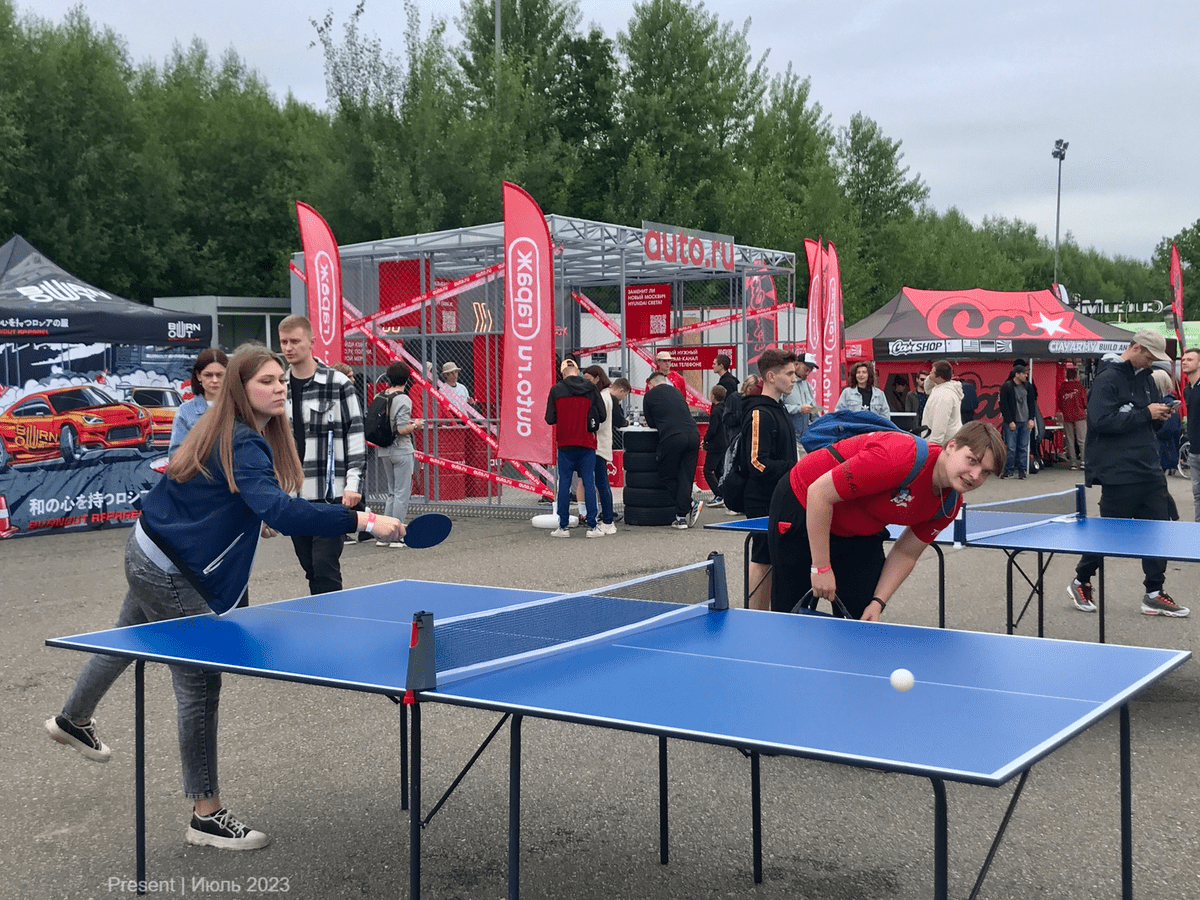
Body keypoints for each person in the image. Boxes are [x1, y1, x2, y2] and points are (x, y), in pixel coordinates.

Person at [44, 345, 403, 851]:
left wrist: (256, 510)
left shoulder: (221, 425)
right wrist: (362, 520)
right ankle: (205, 814)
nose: (279, 387)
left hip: (151, 547)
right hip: (172, 565)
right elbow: (281, 511)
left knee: (128, 638)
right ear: (241, 388)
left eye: (281, 380)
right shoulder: (241, 439)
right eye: (266, 381)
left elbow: (227, 494)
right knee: (199, 680)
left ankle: (72, 719)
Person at [768, 420, 1005, 620]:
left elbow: (906, 553)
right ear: (951, 446)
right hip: (803, 501)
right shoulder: (899, 458)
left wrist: (878, 603)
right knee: (790, 617)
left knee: (861, 618)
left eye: (985, 472)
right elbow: (819, 494)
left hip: (858, 530)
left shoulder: (949, 504)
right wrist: (821, 566)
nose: (975, 476)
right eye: (972, 460)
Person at [1067, 329, 1189, 618]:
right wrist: (1145, 413)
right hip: (1118, 473)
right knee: (1108, 535)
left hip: (1149, 469)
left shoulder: (1147, 379)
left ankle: (1154, 594)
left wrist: (1158, 417)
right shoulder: (1107, 378)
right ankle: (1081, 580)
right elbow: (1099, 421)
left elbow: (1142, 423)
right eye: (1149, 355)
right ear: (1135, 347)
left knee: (1160, 531)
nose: (1151, 362)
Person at [278, 315, 367, 594]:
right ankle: (321, 621)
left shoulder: (338, 383)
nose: (289, 347)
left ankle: (335, 627)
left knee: (325, 566)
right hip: (293, 494)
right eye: (283, 342)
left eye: (295, 341)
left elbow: (355, 434)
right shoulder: (277, 386)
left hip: (330, 493)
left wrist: (353, 485)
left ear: (311, 342)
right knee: (310, 568)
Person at [739, 349, 800, 609]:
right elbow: (756, 462)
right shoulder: (758, 413)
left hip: (781, 495)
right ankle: (756, 616)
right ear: (771, 377)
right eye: (789, 374)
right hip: (762, 498)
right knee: (762, 558)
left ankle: (771, 615)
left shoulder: (779, 409)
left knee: (776, 558)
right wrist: (795, 469)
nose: (794, 379)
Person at [545, 358, 606, 538]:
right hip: (586, 442)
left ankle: (563, 527)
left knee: (564, 483)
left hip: (565, 443)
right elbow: (601, 415)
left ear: (563, 373)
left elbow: (549, 418)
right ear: (578, 371)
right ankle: (592, 527)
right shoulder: (591, 388)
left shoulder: (556, 390)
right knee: (588, 481)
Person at [643, 370, 702, 529]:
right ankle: (681, 517)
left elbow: (651, 423)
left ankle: (689, 505)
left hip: (672, 436)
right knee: (686, 476)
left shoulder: (649, 395)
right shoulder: (676, 392)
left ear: (652, 383)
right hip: (693, 434)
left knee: (666, 474)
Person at [376, 361, 424, 548]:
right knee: (402, 493)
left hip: (384, 449)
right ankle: (396, 535)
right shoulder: (403, 399)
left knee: (391, 492)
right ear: (407, 378)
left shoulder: (381, 395)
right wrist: (416, 425)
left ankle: (385, 534)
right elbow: (402, 429)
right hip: (401, 449)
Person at [582, 366, 629, 534]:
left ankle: (607, 520)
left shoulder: (601, 397)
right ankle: (607, 519)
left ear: (597, 378)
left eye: (588, 379)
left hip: (597, 444)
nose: (585, 382)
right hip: (601, 444)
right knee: (601, 484)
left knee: (600, 483)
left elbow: (597, 422)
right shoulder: (607, 396)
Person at [169, 348, 228, 455]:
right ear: (198, 376)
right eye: (208, 375)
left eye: (219, 375)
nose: (214, 380)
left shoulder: (238, 408)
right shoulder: (185, 411)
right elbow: (175, 455)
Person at [998, 364, 1035, 479]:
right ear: (1017, 374)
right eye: (1023, 373)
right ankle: (1008, 470)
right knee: (1011, 448)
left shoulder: (1028, 386)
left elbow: (1032, 403)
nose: (1026, 375)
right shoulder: (1007, 386)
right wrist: (1009, 421)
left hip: (1025, 421)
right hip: (1013, 422)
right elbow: (1003, 405)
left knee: (1023, 447)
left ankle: (1022, 470)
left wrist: (1031, 419)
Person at [921, 360, 963, 445]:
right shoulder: (942, 388)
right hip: (947, 443)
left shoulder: (944, 395)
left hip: (943, 445)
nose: (929, 374)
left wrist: (933, 446)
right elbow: (927, 389)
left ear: (939, 378)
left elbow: (940, 424)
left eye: (932, 372)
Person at [1056, 364, 1088, 470]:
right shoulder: (1080, 387)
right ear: (1076, 376)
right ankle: (1083, 461)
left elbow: (1059, 404)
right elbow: (1085, 402)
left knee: (1070, 440)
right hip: (1080, 416)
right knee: (1082, 439)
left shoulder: (1062, 388)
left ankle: (1073, 462)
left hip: (1067, 416)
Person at [783, 352, 820, 444]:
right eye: (806, 369)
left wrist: (821, 423)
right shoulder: (785, 383)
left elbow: (813, 409)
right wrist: (799, 409)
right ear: (796, 365)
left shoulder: (806, 384)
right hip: (789, 437)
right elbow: (780, 407)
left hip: (804, 438)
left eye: (810, 371)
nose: (807, 373)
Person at [1151, 368, 1182, 475]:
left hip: (1162, 451)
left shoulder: (1167, 403)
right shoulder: (1162, 402)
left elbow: (1169, 429)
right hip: (1163, 451)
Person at [702, 385, 728, 507]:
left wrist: (705, 439)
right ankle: (722, 493)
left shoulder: (716, 411)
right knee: (718, 470)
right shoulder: (724, 409)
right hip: (724, 443)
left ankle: (719, 494)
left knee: (707, 470)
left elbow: (712, 429)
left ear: (713, 396)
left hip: (715, 445)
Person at [1182, 347, 1200, 520]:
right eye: (1183, 359)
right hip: (1194, 451)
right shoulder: (1188, 390)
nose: (1184, 362)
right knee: (1197, 495)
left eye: (1189, 359)